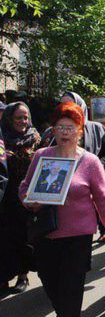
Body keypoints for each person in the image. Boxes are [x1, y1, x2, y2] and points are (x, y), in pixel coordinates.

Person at [19, 101, 105, 317]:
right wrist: (29, 201)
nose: (65, 132)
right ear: (53, 130)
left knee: (72, 289)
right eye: (60, 127)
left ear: (80, 131)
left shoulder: (90, 162)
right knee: (50, 282)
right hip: (47, 234)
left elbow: (103, 199)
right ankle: (64, 316)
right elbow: (24, 188)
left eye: (70, 127)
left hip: (78, 237)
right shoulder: (42, 156)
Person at [0, 102, 41, 293]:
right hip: (6, 196)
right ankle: (4, 276)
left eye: (26, 117)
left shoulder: (35, 138)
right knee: (5, 238)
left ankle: (23, 275)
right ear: (9, 119)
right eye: (18, 117)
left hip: (27, 196)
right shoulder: (2, 138)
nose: (23, 121)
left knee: (24, 237)